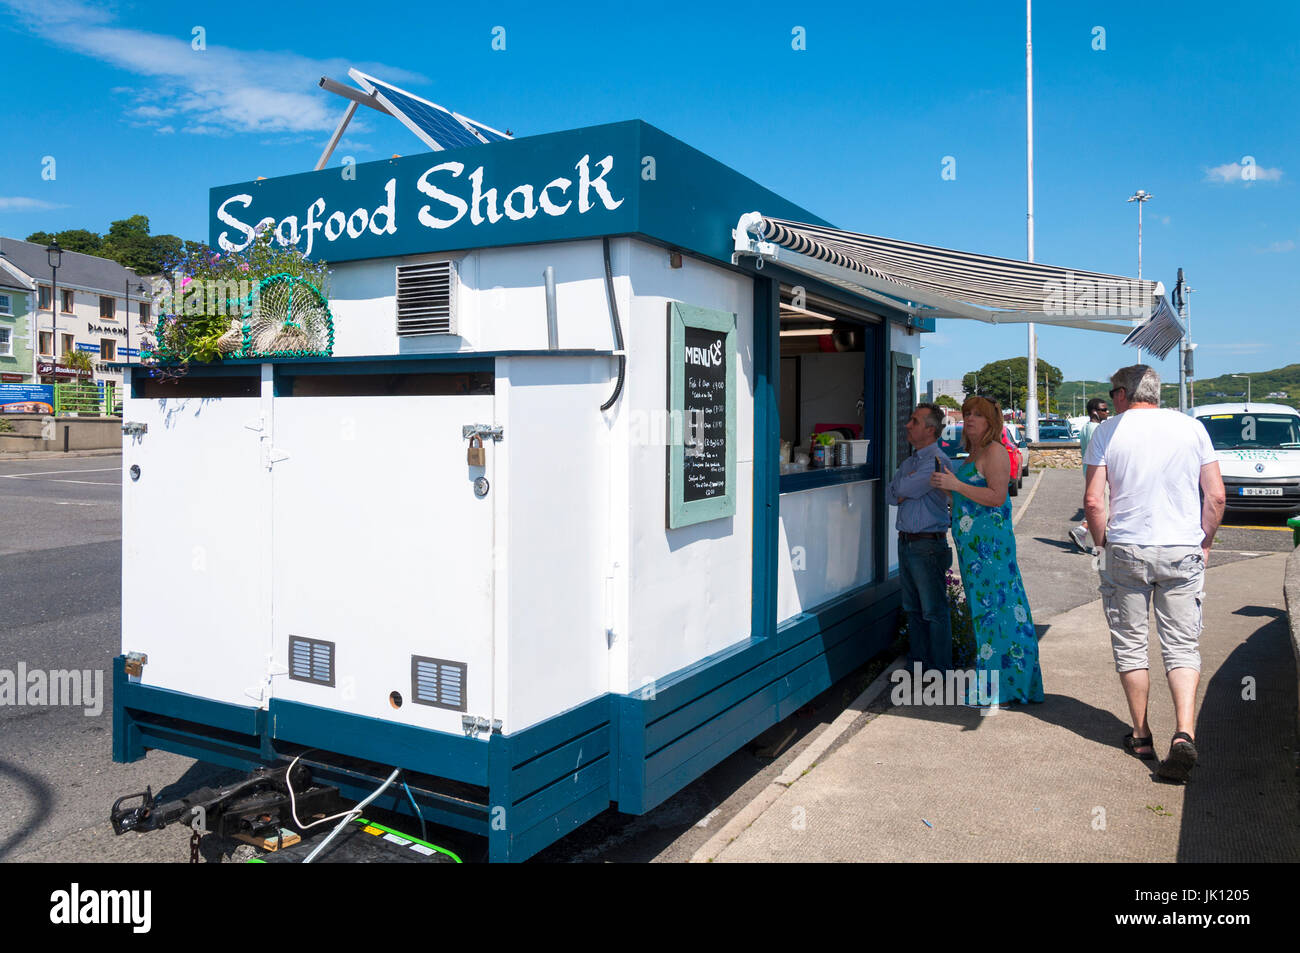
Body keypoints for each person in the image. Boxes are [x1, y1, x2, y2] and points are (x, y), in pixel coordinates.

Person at [1084, 365, 1225, 781]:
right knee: (1182, 645)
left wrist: (1101, 547)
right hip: (1182, 546)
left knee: (1131, 643)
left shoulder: (1107, 432)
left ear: (1125, 393)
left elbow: (1094, 502)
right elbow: (1216, 495)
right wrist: (1205, 542)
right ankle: (1184, 733)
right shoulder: (1192, 428)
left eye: (1113, 393)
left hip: (1127, 547)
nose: (1110, 400)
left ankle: (1142, 734)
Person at [930, 396, 1044, 707]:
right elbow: (966, 501)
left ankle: (1001, 688)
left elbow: (996, 497)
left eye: (977, 415)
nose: (969, 419)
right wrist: (947, 485)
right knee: (987, 614)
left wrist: (955, 484)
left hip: (990, 551)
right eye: (967, 414)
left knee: (997, 612)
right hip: (974, 551)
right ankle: (1002, 683)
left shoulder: (995, 451)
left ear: (990, 421)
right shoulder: (973, 454)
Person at [885, 403, 955, 672]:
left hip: (926, 545)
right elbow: (892, 495)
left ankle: (939, 670)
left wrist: (905, 484)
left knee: (933, 611)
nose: (907, 425)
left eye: (914, 421)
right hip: (908, 542)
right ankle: (919, 664)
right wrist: (905, 484)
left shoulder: (937, 462)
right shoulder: (910, 463)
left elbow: (903, 488)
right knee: (913, 609)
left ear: (930, 429)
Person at [1069, 397, 1110, 552]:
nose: (1107, 412)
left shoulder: (1086, 427)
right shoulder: (1097, 429)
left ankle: (1084, 531)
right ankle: (1086, 533)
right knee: (1103, 508)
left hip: (1088, 471)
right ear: (1095, 411)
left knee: (1100, 506)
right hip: (1098, 472)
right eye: (1104, 410)